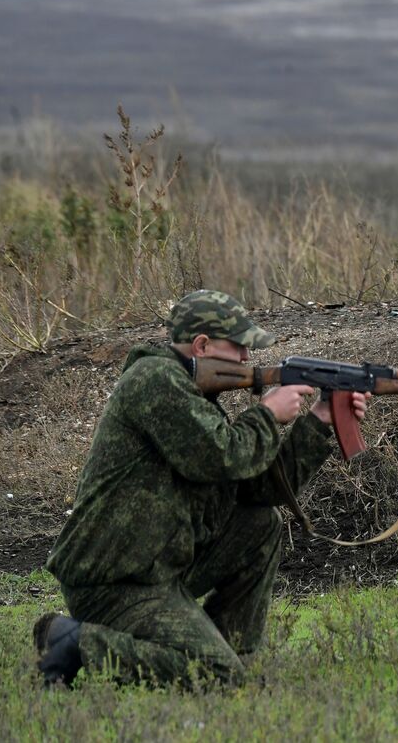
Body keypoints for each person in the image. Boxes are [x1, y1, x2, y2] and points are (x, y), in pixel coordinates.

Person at [33, 290, 368, 688]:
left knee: (261, 523)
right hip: (114, 581)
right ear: (202, 345)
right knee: (216, 677)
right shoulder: (155, 379)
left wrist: (319, 421)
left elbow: (260, 490)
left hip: (158, 566)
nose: (246, 357)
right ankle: (72, 641)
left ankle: (235, 652)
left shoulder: (194, 395)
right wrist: (266, 414)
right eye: (239, 346)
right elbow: (220, 456)